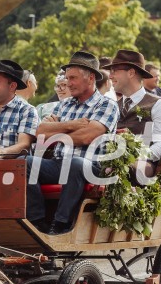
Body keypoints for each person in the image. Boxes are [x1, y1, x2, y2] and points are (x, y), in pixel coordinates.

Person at [25, 51, 120, 235]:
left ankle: (61, 224)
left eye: (73, 78)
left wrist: (56, 131)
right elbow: (40, 131)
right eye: (67, 78)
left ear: (91, 78)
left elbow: (86, 137)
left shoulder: (107, 105)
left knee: (76, 164)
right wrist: (72, 125)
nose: (68, 83)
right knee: (25, 162)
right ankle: (37, 221)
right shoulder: (64, 104)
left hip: (92, 166)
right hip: (59, 163)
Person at [103, 50, 161, 178]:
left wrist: (132, 157)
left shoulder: (158, 104)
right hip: (112, 161)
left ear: (131, 73)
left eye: (114, 71)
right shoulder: (113, 106)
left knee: (118, 168)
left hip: (143, 165)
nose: (110, 76)